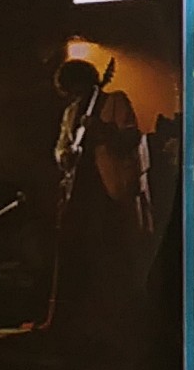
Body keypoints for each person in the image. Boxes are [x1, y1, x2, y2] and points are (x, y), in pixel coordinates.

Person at [47, 59, 150, 344]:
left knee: (111, 252)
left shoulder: (115, 101)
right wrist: (65, 156)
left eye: (78, 88)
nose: (75, 95)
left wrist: (103, 130)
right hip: (79, 189)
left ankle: (117, 320)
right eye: (71, 91)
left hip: (109, 187)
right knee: (76, 252)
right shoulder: (71, 112)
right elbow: (61, 147)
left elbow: (132, 136)